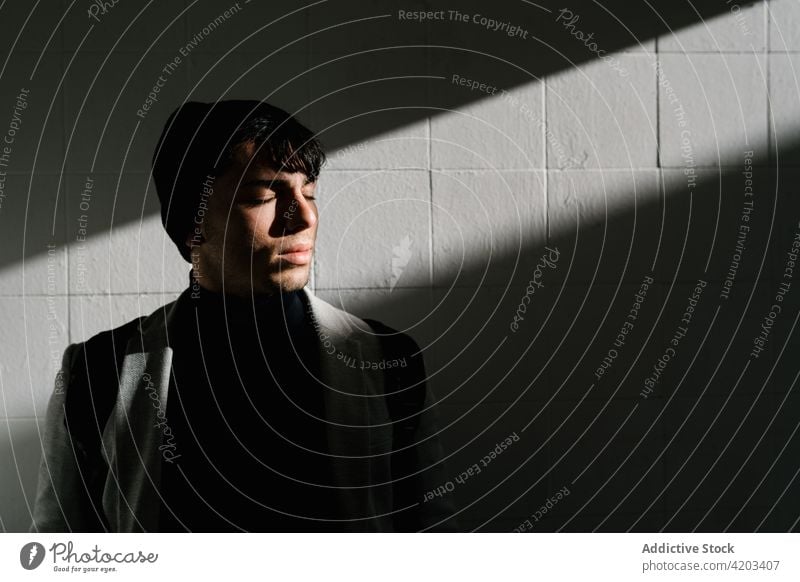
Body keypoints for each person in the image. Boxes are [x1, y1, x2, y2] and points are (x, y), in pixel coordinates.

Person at [30, 100, 456, 532]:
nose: (305, 216)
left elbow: (433, 539)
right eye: (265, 196)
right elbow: (58, 548)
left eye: (308, 192)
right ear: (190, 224)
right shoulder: (96, 370)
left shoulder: (388, 359)